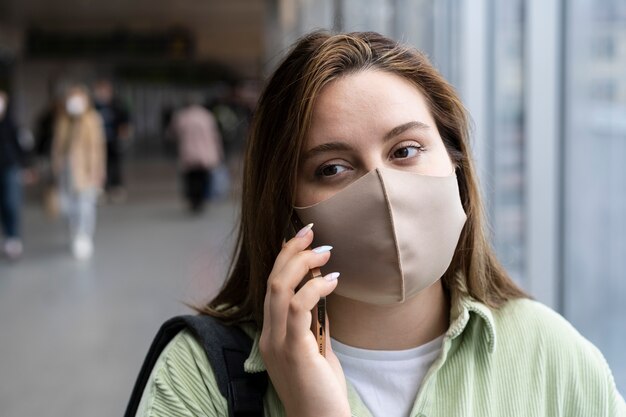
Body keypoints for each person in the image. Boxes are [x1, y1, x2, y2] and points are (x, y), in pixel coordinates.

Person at [132, 31, 625, 416]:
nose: (383, 189)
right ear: (285, 203)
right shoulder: (197, 376)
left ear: (456, 162)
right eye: (333, 168)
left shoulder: (552, 355)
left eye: (405, 150)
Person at [52, 85, 105, 260]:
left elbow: (97, 147)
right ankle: (75, 233)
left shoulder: (92, 119)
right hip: (66, 171)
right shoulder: (63, 121)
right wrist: (56, 166)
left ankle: (84, 236)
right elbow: (58, 146)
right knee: (68, 206)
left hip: (85, 170)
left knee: (85, 205)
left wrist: (98, 170)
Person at [170, 101, 223, 213]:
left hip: (188, 152)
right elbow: (214, 135)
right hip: (205, 152)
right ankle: (201, 199)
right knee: (203, 177)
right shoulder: (206, 115)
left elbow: (173, 133)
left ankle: (193, 200)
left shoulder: (182, 116)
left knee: (191, 178)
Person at [93, 79, 131, 203]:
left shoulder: (117, 104)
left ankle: (115, 187)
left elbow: (125, 120)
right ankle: (101, 188)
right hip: (97, 142)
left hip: (112, 140)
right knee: (98, 164)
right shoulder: (93, 106)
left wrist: (123, 134)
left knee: (114, 164)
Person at [0, 90, 26, 260]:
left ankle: (12, 238)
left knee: (10, 203)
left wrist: (25, 167)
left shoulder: (12, 124)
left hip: (9, 168)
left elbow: (22, 147)